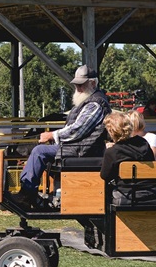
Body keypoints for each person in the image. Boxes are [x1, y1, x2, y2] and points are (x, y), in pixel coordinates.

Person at [13, 65, 112, 207]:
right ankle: (35, 195)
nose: (78, 88)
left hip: (84, 151)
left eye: (81, 85)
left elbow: (78, 130)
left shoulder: (95, 104)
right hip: (78, 148)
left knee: (39, 151)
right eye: (76, 85)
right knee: (38, 149)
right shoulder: (87, 102)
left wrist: (52, 135)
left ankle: (26, 194)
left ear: (93, 83)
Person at [100, 111, 156, 205]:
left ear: (111, 132)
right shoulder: (143, 143)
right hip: (153, 191)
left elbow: (105, 176)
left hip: (127, 194)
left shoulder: (112, 152)